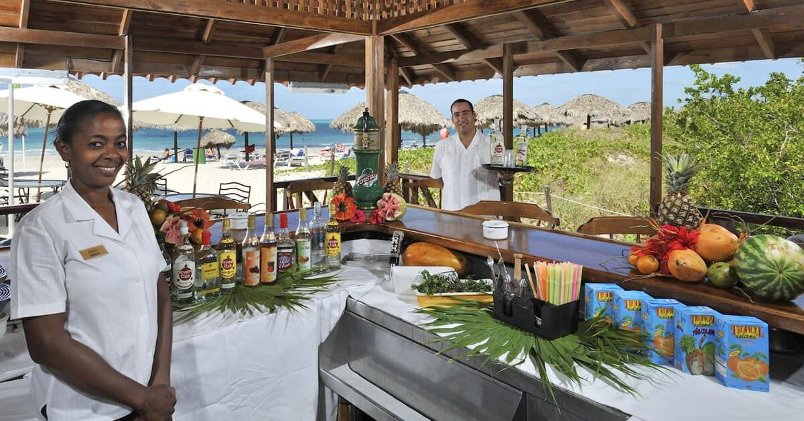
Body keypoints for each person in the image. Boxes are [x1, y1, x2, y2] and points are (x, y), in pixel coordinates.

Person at [9, 100, 175, 420]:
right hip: (83, 407)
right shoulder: (41, 228)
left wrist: (160, 384)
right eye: (96, 144)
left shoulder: (133, 207)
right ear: (65, 150)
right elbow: (46, 343)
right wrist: (142, 399)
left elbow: (160, 294)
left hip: (147, 395)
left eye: (120, 143)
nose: (112, 154)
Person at [430, 99, 499, 211]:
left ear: (474, 115)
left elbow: (503, 176)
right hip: (452, 212)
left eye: (465, 113)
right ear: (452, 119)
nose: (461, 118)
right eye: (457, 115)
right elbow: (437, 178)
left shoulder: (493, 144)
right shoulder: (441, 147)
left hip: (486, 214)